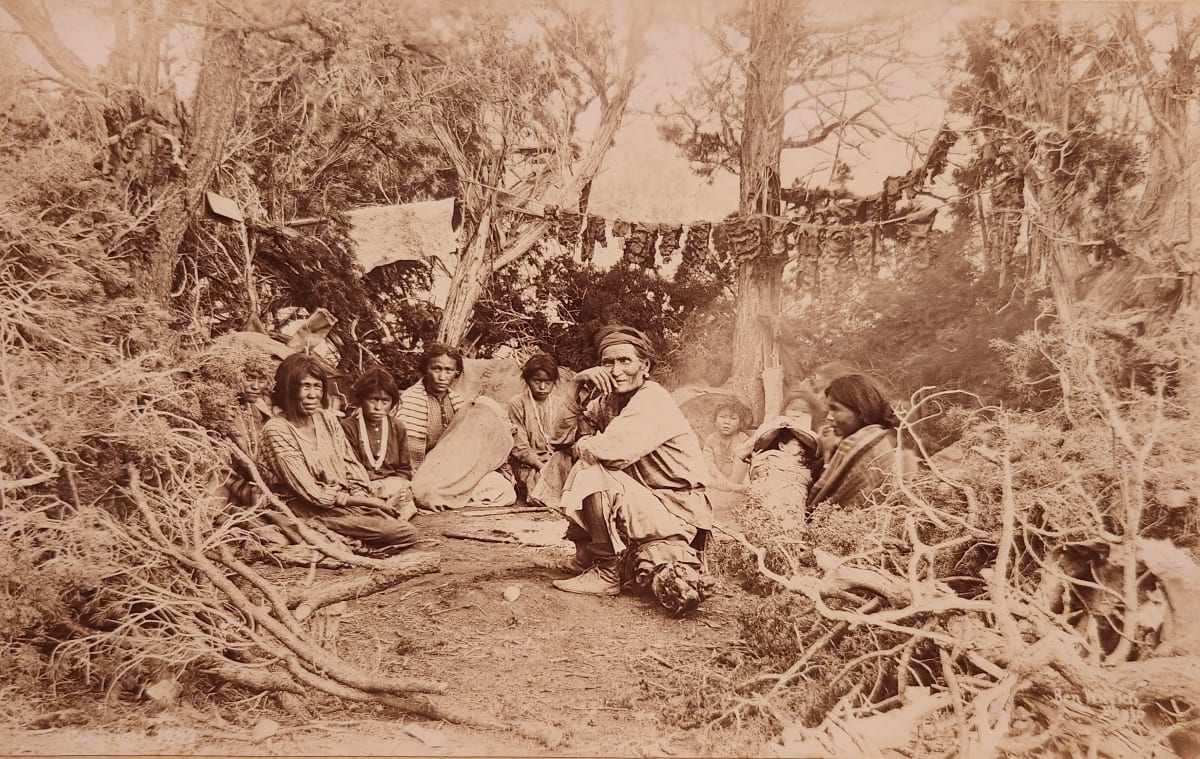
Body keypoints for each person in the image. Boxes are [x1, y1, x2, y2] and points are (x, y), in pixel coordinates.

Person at [547, 325, 713, 614]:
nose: (616, 370)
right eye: (607, 362)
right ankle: (585, 554)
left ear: (644, 366)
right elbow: (558, 439)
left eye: (625, 361)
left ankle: (607, 571)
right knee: (562, 460)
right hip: (647, 501)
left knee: (590, 469)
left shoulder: (652, 399)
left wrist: (583, 443)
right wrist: (575, 386)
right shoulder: (608, 400)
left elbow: (608, 454)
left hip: (677, 510)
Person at [260, 353, 420, 552]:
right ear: (289, 389)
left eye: (317, 387)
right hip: (305, 506)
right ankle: (309, 527)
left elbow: (350, 466)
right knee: (398, 531)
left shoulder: (327, 419)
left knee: (404, 529)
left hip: (340, 504)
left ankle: (327, 534)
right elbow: (313, 493)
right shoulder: (277, 429)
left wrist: (365, 499)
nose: (313, 395)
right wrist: (368, 502)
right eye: (305, 386)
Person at [808, 373, 918, 510]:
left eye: (835, 409)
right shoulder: (872, 438)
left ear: (861, 411)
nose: (829, 417)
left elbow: (826, 502)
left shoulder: (863, 446)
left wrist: (827, 458)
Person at [340, 367, 417, 520]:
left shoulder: (397, 427)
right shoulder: (347, 427)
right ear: (361, 399)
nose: (378, 407)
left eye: (385, 401)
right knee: (358, 503)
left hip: (392, 485)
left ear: (392, 402)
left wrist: (401, 485)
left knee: (404, 494)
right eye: (373, 400)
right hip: (362, 486)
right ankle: (382, 514)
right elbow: (350, 469)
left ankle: (387, 513)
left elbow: (404, 468)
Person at [394, 343, 466, 472]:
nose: (442, 377)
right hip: (418, 469)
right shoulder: (410, 400)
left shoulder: (459, 402)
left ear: (456, 372)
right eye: (436, 369)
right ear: (425, 370)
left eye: (449, 370)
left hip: (452, 466)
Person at [507, 353, 564, 505]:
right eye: (537, 381)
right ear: (527, 380)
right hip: (529, 464)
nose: (542, 387)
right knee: (541, 491)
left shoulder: (560, 404)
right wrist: (542, 467)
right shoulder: (517, 403)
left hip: (555, 462)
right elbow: (519, 446)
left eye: (548, 382)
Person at [702, 401, 750, 491]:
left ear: (740, 423)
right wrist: (719, 477)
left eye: (733, 418)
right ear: (715, 421)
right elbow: (708, 463)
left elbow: (747, 465)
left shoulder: (743, 439)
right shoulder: (711, 439)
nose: (727, 422)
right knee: (704, 477)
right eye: (722, 417)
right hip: (717, 479)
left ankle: (733, 487)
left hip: (737, 480)